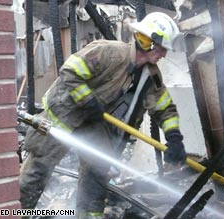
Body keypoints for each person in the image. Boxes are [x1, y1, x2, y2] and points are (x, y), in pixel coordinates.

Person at [19, 12, 187, 219]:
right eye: (162, 48)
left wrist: (174, 137)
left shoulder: (150, 75)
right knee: (38, 169)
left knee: (97, 172)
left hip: (93, 122)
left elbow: (163, 107)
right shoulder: (109, 52)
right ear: (149, 43)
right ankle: (15, 212)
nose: (164, 55)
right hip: (64, 115)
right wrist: (88, 100)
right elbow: (70, 72)